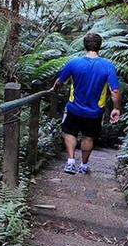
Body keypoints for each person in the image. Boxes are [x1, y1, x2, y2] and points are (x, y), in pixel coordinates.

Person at [51, 32, 121, 174]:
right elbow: (115, 91)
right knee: (88, 137)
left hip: (74, 108)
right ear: (100, 46)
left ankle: (70, 162)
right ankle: (83, 166)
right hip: (95, 112)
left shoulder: (74, 62)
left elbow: (59, 82)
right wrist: (116, 108)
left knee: (69, 132)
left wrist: (53, 90)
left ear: (84, 45)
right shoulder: (108, 66)